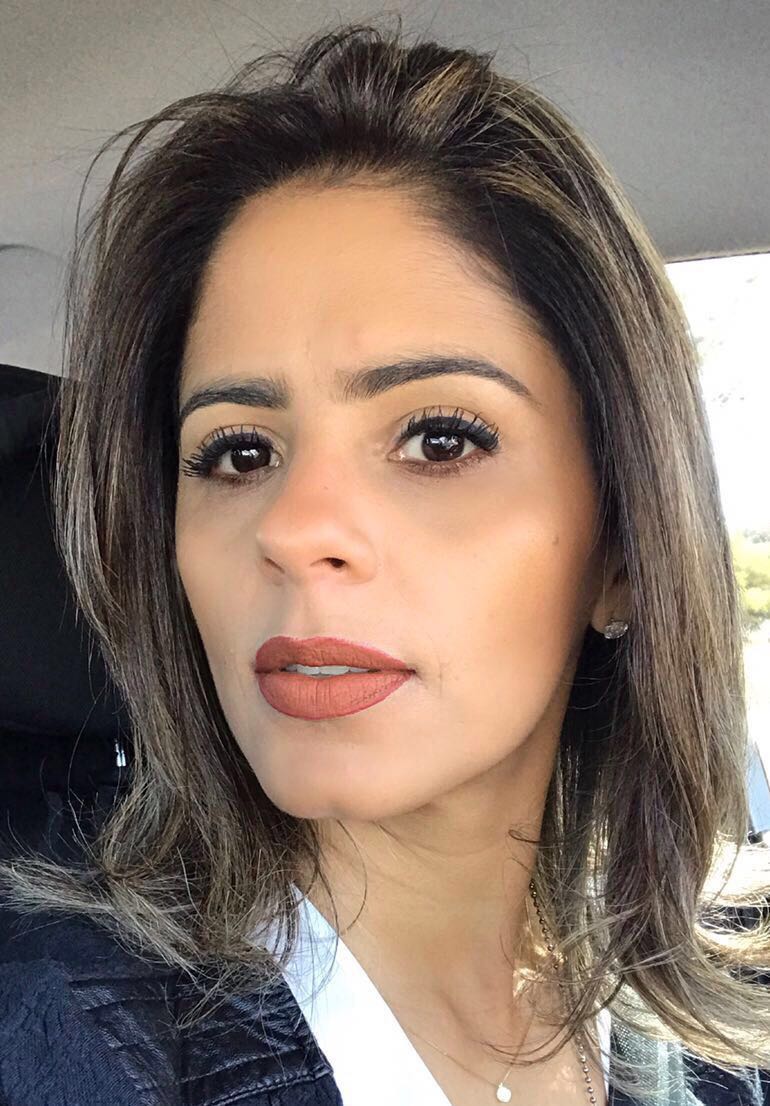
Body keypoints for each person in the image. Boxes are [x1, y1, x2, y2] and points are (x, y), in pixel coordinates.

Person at [1, 18, 769, 1106]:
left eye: (439, 439)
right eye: (238, 452)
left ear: (623, 553)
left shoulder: (721, 1037)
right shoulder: (56, 1044)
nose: (292, 526)